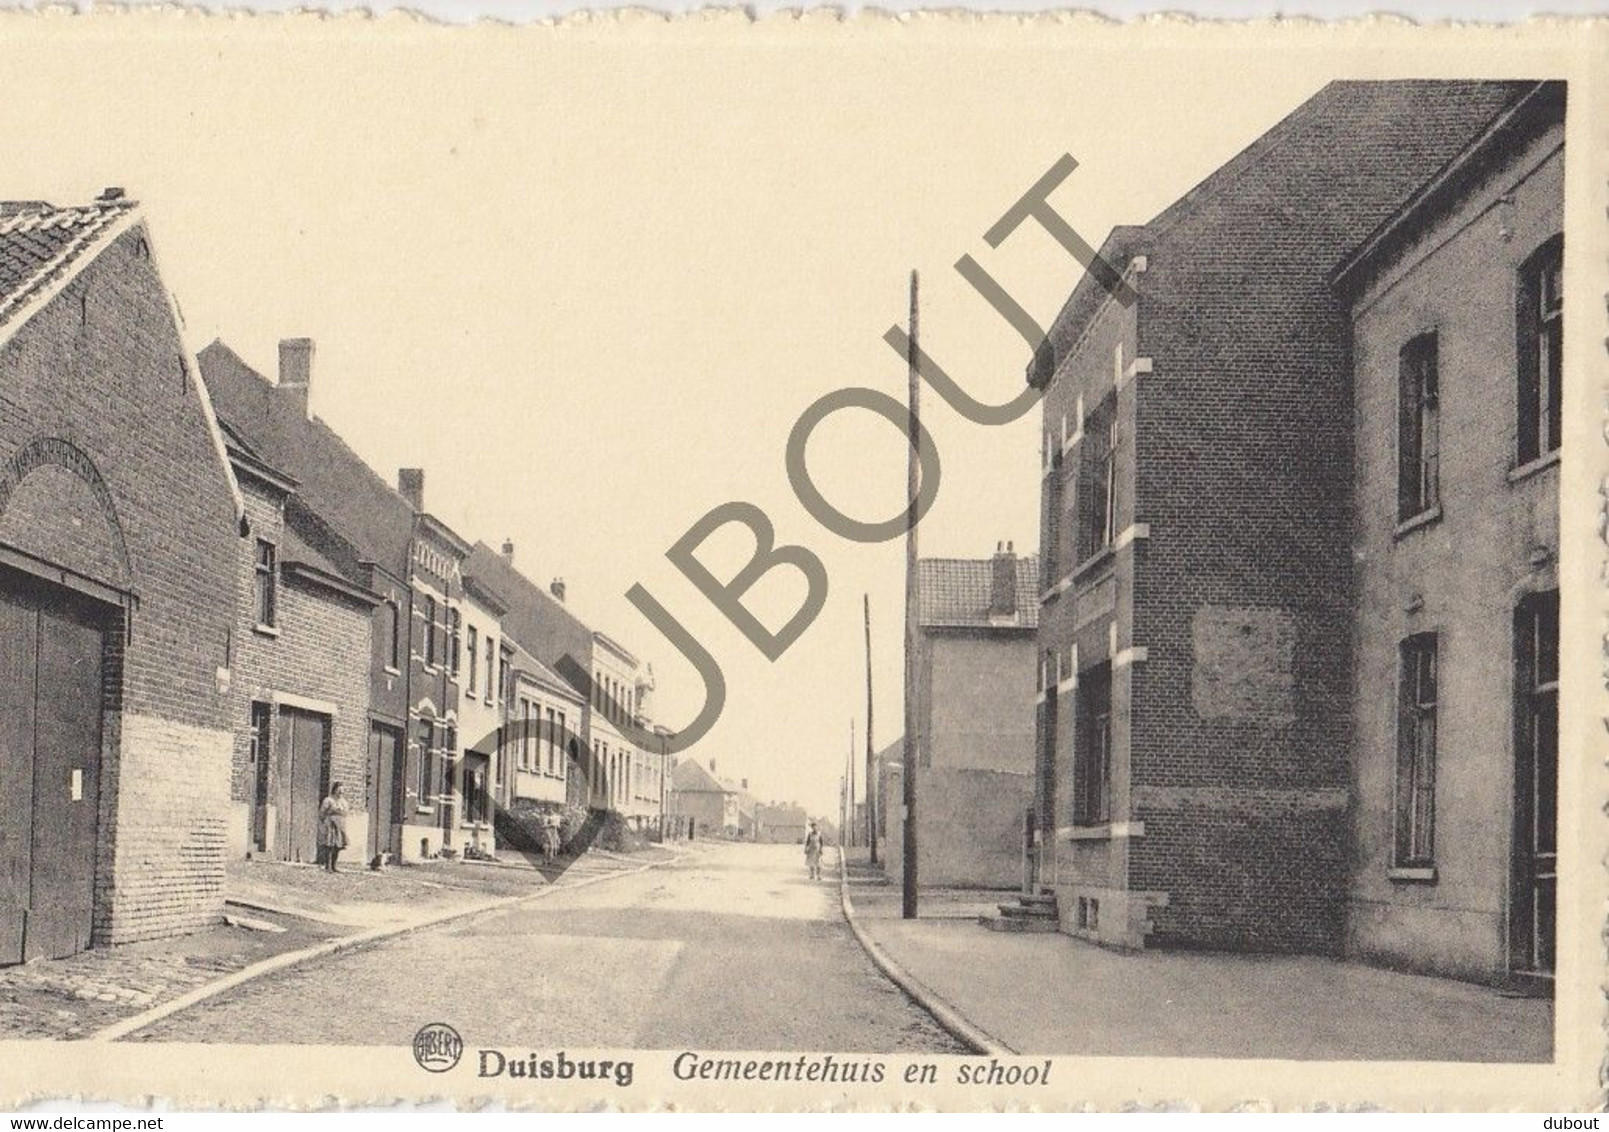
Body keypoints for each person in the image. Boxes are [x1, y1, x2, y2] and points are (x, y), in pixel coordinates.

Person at [319, 782, 350, 873]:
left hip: (340, 825)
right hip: (330, 824)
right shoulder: (328, 800)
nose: (341, 791)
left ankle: (334, 865)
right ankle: (328, 866)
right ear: (334, 789)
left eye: (342, 790)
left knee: (338, 845)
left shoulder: (343, 802)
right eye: (339, 789)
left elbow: (346, 813)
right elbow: (322, 813)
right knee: (330, 845)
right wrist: (325, 821)